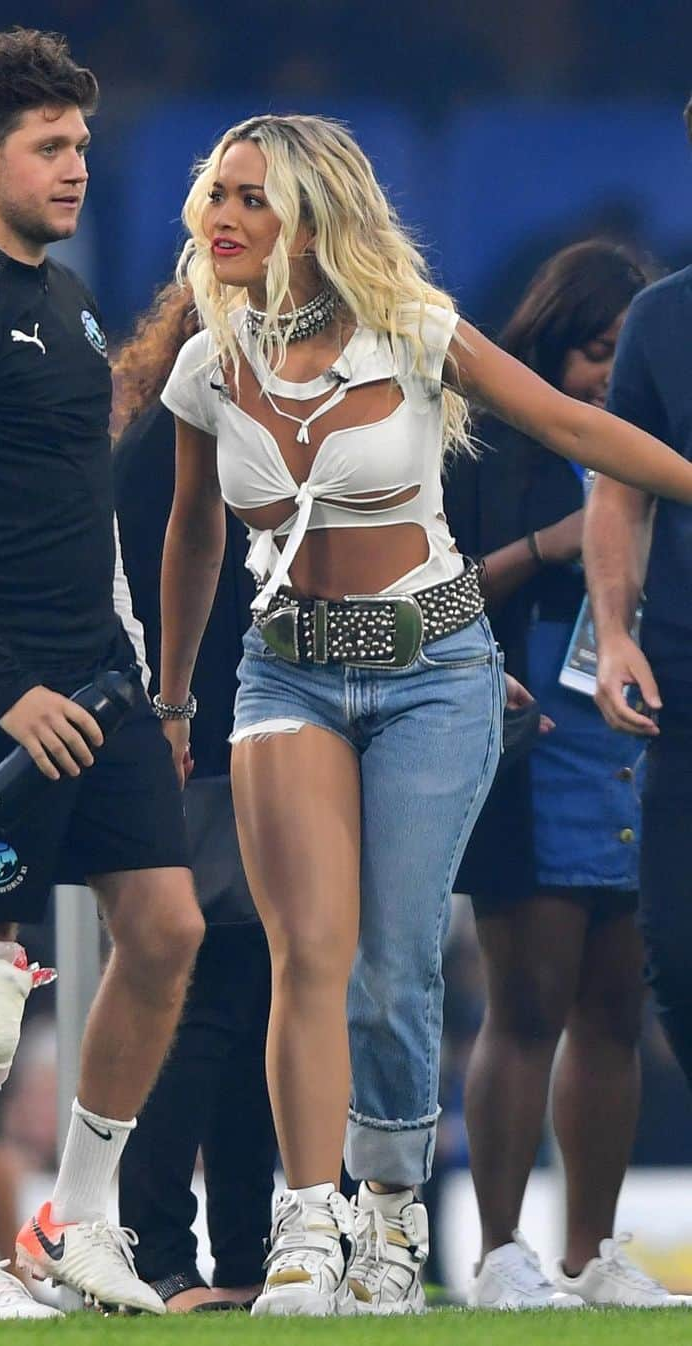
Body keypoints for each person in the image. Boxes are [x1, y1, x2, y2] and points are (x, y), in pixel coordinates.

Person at [156, 112, 692, 1319]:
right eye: (214, 196)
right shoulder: (209, 358)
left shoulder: (414, 329)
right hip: (282, 667)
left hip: (435, 665)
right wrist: (175, 692)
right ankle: (308, 1230)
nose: (220, 218)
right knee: (310, 951)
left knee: (394, 966)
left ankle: (392, 1220)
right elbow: (193, 533)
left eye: (248, 197)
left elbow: (572, 428)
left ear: (309, 214)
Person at [0, 29, 203, 1320]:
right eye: (50, 146)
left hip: (100, 681)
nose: (75, 168)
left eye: (81, 145)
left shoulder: (69, 306)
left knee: (168, 928)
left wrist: (149, 685)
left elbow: (92, 518)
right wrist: (3, 683)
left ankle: (74, 1215)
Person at [445, 240, 679, 1308]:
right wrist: (551, 544)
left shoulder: (655, 435)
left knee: (616, 1004)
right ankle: (499, 1248)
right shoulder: (486, 436)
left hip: (632, 737)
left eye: (622, 357)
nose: (607, 379)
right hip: (530, 736)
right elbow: (434, 592)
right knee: (526, 997)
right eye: (593, 355)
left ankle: (592, 1251)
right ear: (549, 340)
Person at [112, 282, 276, 1312]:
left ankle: (240, 1253)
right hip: (212, 744)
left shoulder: (142, 440)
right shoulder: (202, 432)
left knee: (241, 1000)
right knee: (217, 1002)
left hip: (185, 741)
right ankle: (163, 1249)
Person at [585, 98, 692, 1120]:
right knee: (681, 958)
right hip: (685, 688)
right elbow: (619, 490)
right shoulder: (663, 317)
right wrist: (614, 630)